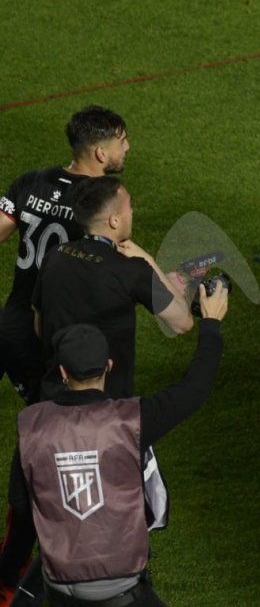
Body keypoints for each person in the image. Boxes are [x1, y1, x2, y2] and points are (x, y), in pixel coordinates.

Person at [10, 278, 227, 606]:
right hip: (124, 588)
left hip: (60, 587)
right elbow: (195, 388)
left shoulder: (32, 427)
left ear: (64, 373)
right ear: (108, 367)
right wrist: (210, 323)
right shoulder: (133, 419)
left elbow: (23, 507)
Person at [0, 106, 130, 599]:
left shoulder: (30, 181)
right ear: (101, 151)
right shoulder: (99, 204)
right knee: (41, 462)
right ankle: (13, 578)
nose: (126, 149)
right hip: (48, 341)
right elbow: (120, 258)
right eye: (122, 141)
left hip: (8, 323)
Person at [32, 176, 193, 402]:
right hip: (107, 411)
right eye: (130, 206)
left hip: (53, 400)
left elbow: (39, 324)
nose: (133, 213)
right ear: (114, 221)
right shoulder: (132, 270)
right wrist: (148, 259)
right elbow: (182, 322)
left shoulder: (55, 255)